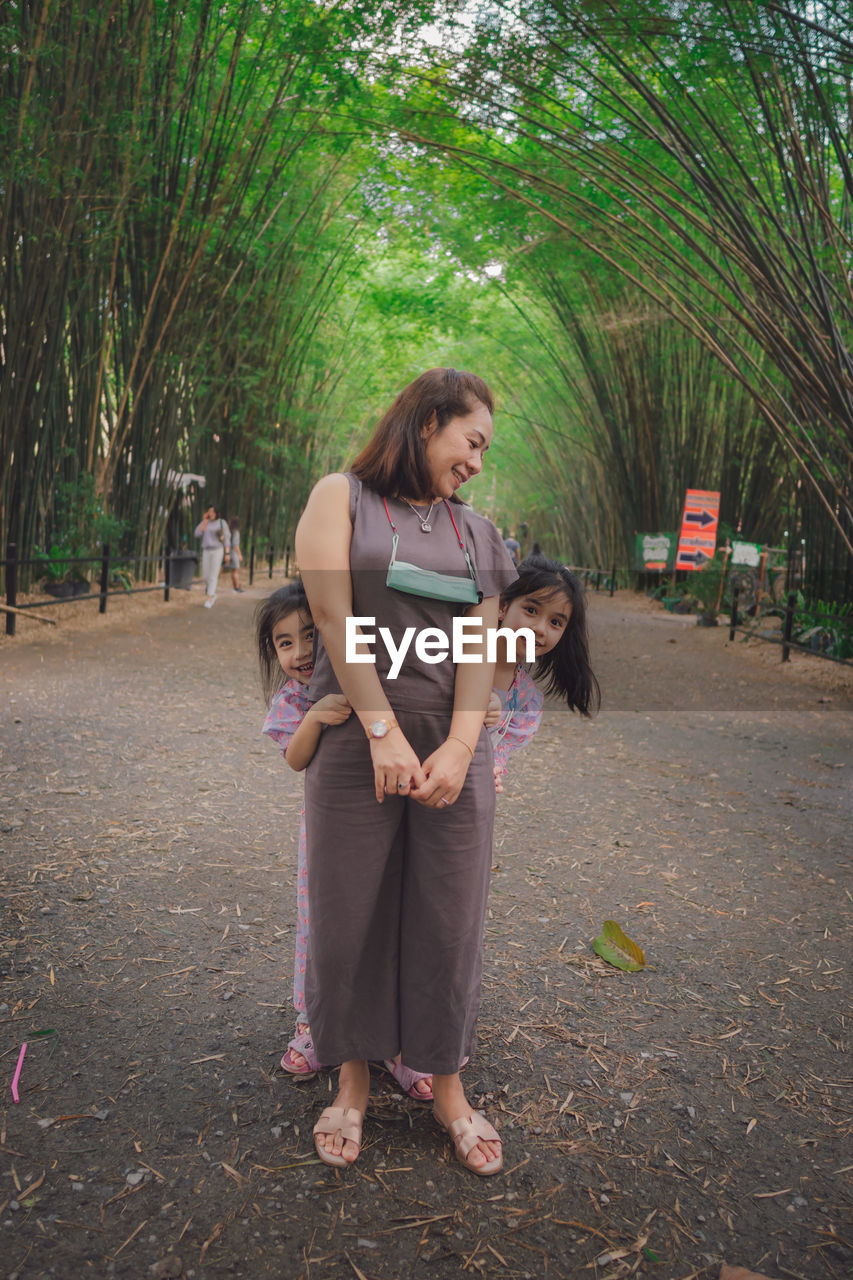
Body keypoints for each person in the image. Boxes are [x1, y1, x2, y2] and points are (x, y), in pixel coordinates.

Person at [294, 367, 517, 1174]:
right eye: (471, 441)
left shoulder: (479, 536)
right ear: (427, 422)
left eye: (486, 450)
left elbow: (480, 648)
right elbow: (329, 613)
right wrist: (382, 730)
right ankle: (350, 1083)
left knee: (449, 916)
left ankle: (446, 1086)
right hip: (359, 743)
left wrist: (459, 749)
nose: (477, 462)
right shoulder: (340, 499)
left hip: (452, 746)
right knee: (351, 911)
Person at [256, 583, 434, 1100]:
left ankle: (397, 1043)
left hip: (395, 815)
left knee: (392, 919)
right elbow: (294, 757)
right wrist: (314, 716)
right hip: (329, 835)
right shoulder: (293, 698)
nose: (301, 651)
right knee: (327, 922)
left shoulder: (375, 675)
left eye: (310, 635)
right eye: (285, 643)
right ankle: (316, 1024)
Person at [488, 554, 600, 790]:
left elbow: (496, 755)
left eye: (556, 623)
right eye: (531, 610)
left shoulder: (525, 700)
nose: (540, 629)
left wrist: (492, 771)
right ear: (502, 606)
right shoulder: (453, 660)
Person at [194, 505, 229, 608]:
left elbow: (226, 539)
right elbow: (197, 534)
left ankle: (209, 598)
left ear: (217, 513)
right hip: (206, 551)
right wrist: (204, 521)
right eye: (209, 511)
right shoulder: (205, 522)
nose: (211, 514)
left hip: (217, 550)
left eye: (213, 512)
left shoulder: (222, 523)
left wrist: (227, 554)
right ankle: (212, 593)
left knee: (213, 575)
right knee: (205, 576)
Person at [228, 517, 244, 592]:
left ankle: (235, 587)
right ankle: (236, 587)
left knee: (232, 571)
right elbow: (235, 545)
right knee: (235, 571)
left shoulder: (229, 532)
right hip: (234, 554)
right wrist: (240, 555)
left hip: (228, 553)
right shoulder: (236, 532)